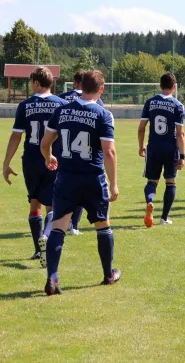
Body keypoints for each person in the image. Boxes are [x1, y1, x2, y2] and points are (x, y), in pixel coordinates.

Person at [40, 70, 120, 295]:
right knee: (103, 225)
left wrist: (49, 158)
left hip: (66, 178)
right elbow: (109, 152)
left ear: (80, 86)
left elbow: (45, 143)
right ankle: (108, 274)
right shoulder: (103, 114)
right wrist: (114, 183)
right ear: (101, 89)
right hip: (93, 178)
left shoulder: (62, 110)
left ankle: (53, 278)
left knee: (58, 227)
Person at [3, 67, 67, 266]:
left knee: (34, 203)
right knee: (52, 206)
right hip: (53, 159)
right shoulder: (62, 104)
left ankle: (38, 251)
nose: (31, 86)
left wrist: (6, 163)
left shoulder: (25, 105)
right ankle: (47, 237)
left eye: (32, 82)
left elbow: (16, 136)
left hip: (31, 159)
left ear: (37, 83)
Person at [58, 70, 103, 235]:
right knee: (83, 191)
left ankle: (56, 226)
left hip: (63, 151)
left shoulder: (62, 97)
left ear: (75, 82)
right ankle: (74, 225)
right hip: (88, 155)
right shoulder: (96, 101)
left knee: (62, 191)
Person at [138, 72, 185, 228]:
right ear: (174, 87)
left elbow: (141, 128)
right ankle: (164, 218)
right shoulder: (177, 105)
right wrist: (182, 155)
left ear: (160, 85)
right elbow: (180, 133)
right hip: (170, 148)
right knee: (170, 182)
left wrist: (141, 146)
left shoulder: (150, 102)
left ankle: (150, 202)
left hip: (153, 147)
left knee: (152, 181)